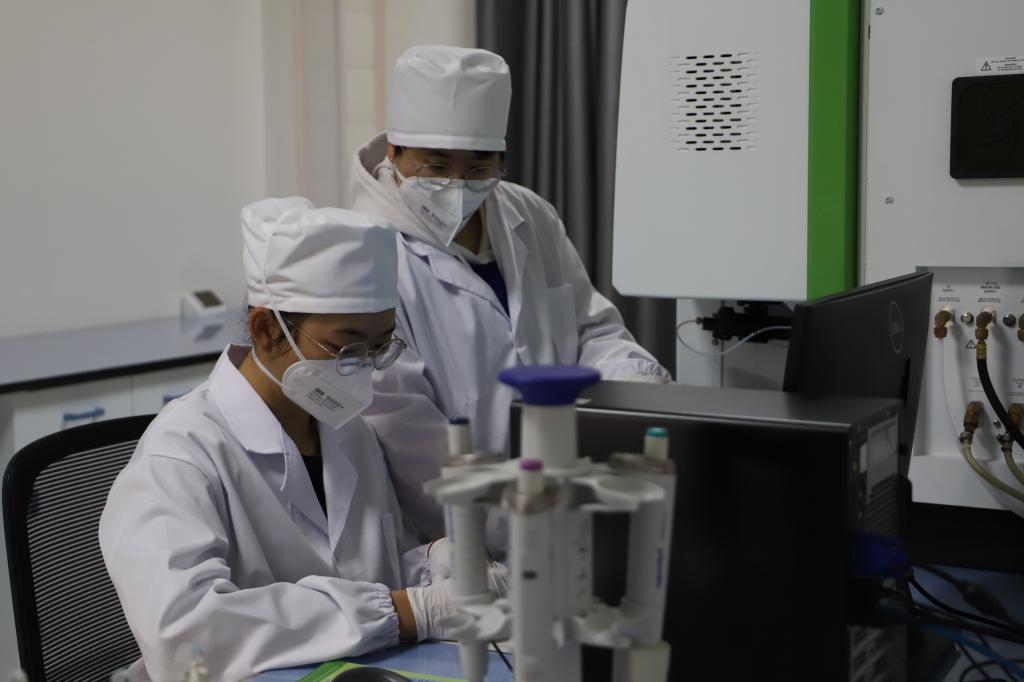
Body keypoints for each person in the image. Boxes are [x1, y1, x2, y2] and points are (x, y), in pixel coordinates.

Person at [100, 198, 464, 681]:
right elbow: (187, 637)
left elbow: (360, 574)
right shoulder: (181, 454)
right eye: (347, 347)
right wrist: (408, 611)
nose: (365, 368)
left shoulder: (346, 429)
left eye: (380, 347)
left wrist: (431, 567)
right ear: (267, 329)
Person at [352, 45, 672, 540]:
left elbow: (591, 328)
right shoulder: (365, 254)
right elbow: (402, 427)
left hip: (564, 492)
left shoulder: (528, 214)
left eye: (479, 167)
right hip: (450, 533)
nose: (458, 185)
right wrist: (516, 519)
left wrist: (634, 389)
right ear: (394, 151)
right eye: (436, 167)